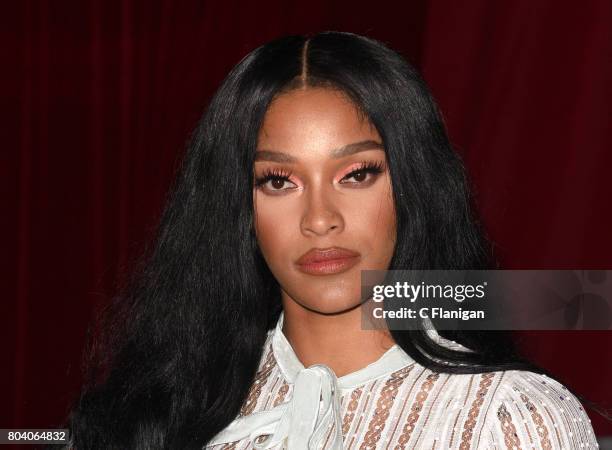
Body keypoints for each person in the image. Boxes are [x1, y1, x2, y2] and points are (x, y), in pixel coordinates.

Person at [65, 32, 598, 449]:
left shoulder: (509, 421)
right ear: (239, 209)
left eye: (357, 174)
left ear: (412, 184)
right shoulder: (154, 416)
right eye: (278, 181)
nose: (320, 219)